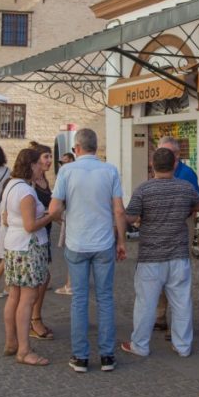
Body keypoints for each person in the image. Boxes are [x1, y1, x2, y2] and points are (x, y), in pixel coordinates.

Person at [46, 128, 126, 374]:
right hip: (103, 242)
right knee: (105, 298)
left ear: (76, 148)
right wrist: (121, 240)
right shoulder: (110, 170)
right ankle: (107, 355)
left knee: (79, 300)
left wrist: (66, 220)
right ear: (96, 147)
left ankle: (80, 357)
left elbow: (54, 208)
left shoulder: (67, 171)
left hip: (77, 242)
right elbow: (119, 210)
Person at [120, 147, 199, 357]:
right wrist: (187, 211)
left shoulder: (143, 190)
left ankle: (140, 345)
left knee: (145, 304)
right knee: (182, 302)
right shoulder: (185, 188)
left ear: (152, 165)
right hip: (178, 255)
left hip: (150, 256)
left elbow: (129, 217)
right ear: (175, 165)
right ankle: (183, 346)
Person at [1, 148, 60, 367]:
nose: (42, 168)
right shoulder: (26, 191)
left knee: (14, 296)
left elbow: (7, 217)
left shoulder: (11, 185)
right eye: (39, 164)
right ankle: (24, 350)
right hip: (28, 248)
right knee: (27, 298)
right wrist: (50, 216)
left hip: (14, 245)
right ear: (32, 165)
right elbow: (30, 226)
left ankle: (11, 342)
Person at [27, 141, 56, 341]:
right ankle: (33, 319)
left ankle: (33, 317)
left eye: (50, 156)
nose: (49, 161)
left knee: (43, 278)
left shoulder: (45, 180)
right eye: (46, 157)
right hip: (32, 238)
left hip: (44, 235)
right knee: (38, 280)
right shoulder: (29, 184)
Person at [54, 152, 75, 296]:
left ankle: (70, 284)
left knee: (71, 253)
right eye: (61, 163)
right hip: (71, 217)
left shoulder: (67, 176)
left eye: (66, 162)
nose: (63, 165)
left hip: (71, 218)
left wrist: (56, 217)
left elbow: (56, 204)